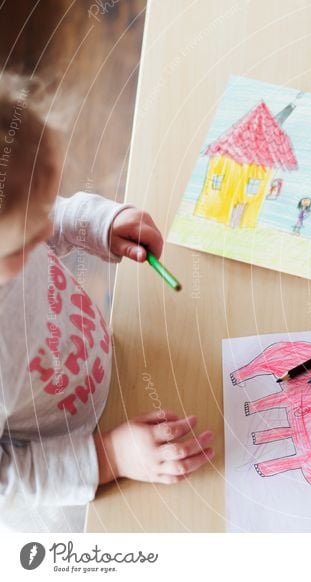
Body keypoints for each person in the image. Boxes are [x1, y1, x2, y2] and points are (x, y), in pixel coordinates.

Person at [0, 74, 214, 532]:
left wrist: (92, 221)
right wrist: (109, 456)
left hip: (114, 374)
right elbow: (7, 479)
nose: (46, 235)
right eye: (29, 238)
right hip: (75, 482)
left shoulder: (13, 213)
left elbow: (35, 210)